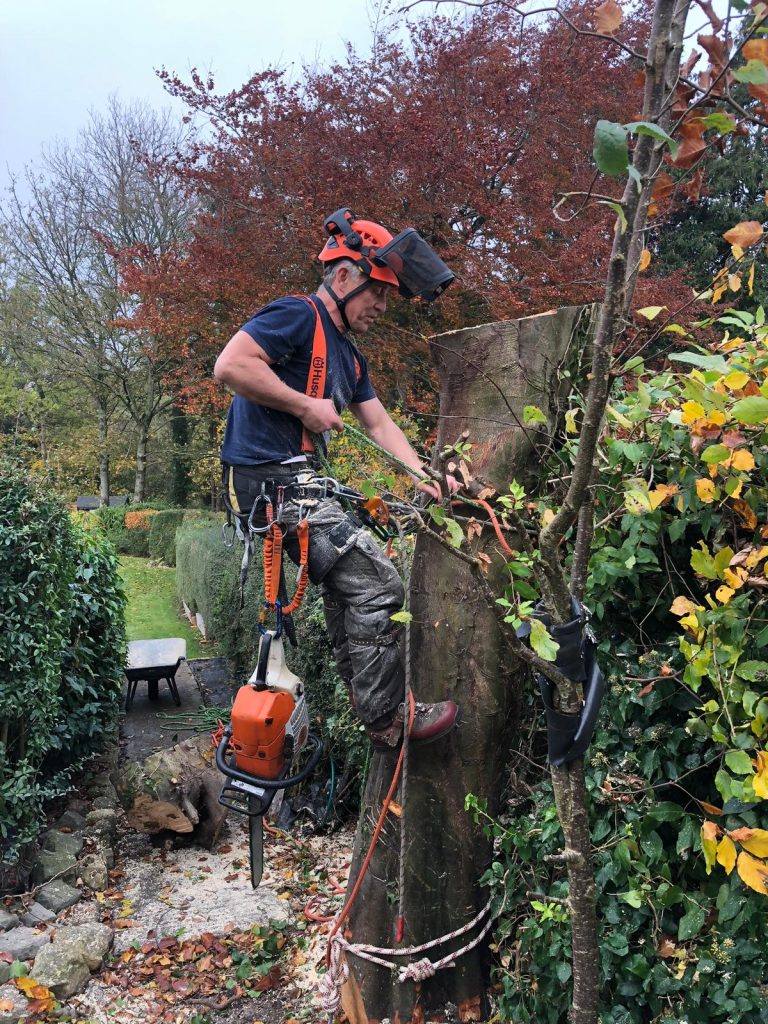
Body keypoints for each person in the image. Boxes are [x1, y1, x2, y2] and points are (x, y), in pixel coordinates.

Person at [214, 208, 459, 749]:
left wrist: (424, 477)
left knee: (353, 585)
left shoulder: (350, 356)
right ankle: (387, 721)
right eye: (377, 292)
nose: (381, 306)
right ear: (344, 276)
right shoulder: (298, 316)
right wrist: (304, 405)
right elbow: (231, 364)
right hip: (270, 483)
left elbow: (379, 421)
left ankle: (366, 699)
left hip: (297, 483)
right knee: (380, 586)